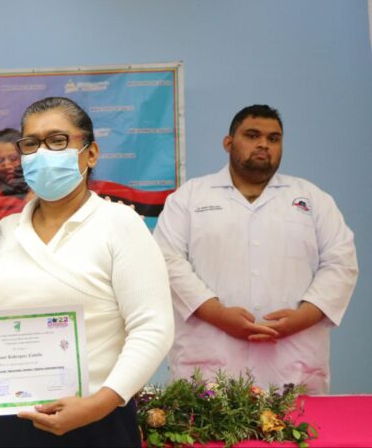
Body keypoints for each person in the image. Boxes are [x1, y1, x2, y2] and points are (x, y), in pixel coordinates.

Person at [0, 97, 174, 447]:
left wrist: (99, 404)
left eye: (58, 141)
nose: (43, 153)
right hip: (11, 421)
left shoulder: (120, 224)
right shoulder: (6, 231)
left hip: (98, 420)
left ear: (91, 153)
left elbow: (153, 327)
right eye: (31, 144)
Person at [153, 104, 358, 394]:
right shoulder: (189, 197)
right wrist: (219, 314)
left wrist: (302, 318)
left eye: (273, 138)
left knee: (297, 423)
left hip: (293, 361)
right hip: (211, 360)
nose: (264, 144)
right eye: (252, 135)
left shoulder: (312, 198)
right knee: (208, 420)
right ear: (228, 143)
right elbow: (166, 261)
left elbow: (341, 264)